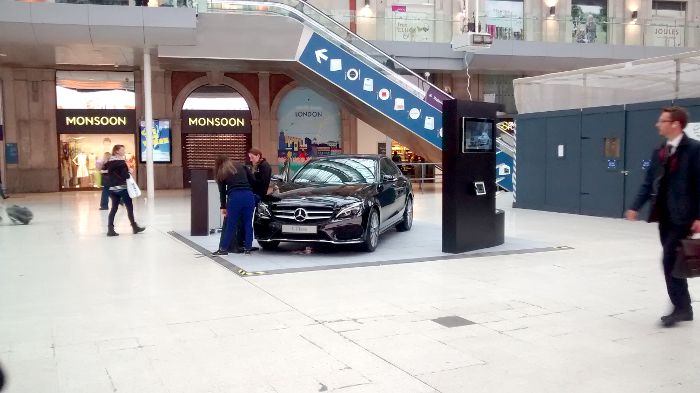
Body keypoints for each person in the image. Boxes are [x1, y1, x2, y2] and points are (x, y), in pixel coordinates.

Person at [625, 106, 700, 327]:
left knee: (669, 260)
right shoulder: (660, 150)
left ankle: (680, 308)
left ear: (675, 124)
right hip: (665, 216)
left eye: (662, 121)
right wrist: (635, 206)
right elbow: (649, 182)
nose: (658, 124)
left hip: (684, 216)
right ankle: (684, 307)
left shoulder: (694, 150)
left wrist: (699, 216)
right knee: (674, 260)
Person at [212, 156, 256, 256]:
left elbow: (222, 191)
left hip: (235, 197)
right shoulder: (242, 166)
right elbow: (253, 180)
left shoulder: (222, 171)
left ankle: (223, 249)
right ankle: (248, 248)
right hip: (249, 196)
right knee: (248, 223)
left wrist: (223, 206)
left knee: (231, 224)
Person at [103, 145, 146, 237]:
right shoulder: (121, 162)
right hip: (122, 187)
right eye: (122, 150)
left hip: (112, 188)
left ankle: (110, 229)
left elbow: (105, 171)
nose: (124, 151)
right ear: (117, 151)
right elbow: (125, 175)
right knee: (129, 207)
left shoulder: (109, 162)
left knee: (114, 208)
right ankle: (134, 227)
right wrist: (129, 171)